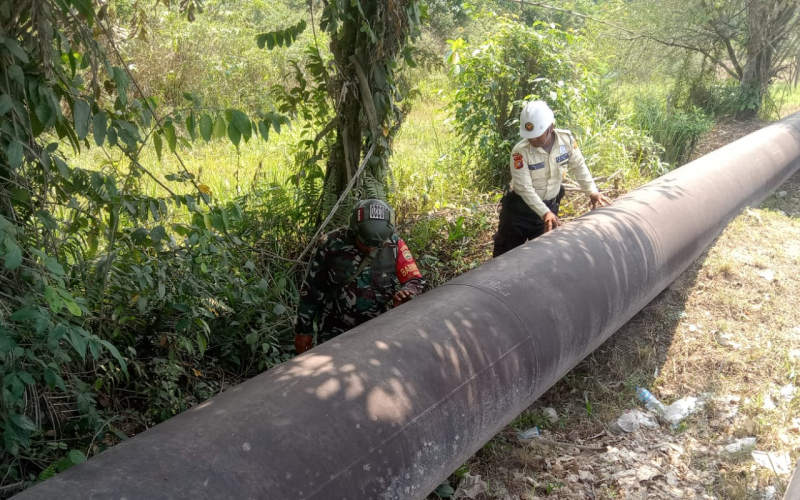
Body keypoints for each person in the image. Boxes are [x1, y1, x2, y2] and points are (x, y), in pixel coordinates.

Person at [294, 199, 425, 354]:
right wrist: (303, 331)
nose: (370, 248)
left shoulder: (395, 245)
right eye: (365, 244)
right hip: (334, 331)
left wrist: (408, 293)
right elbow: (311, 290)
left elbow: (415, 279)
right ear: (354, 230)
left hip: (377, 330)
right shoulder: (330, 243)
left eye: (375, 245)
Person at [492, 100, 613, 258]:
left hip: (549, 208)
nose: (532, 139)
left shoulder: (566, 140)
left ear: (551, 127)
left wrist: (592, 192)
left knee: (545, 256)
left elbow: (579, 166)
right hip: (519, 211)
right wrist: (544, 213)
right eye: (529, 136)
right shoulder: (520, 152)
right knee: (506, 255)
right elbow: (524, 188)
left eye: (536, 136)